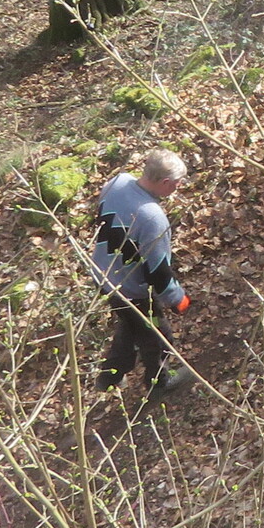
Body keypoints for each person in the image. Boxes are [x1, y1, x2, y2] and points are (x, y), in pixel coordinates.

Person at [92, 149, 192, 395]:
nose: (179, 187)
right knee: (158, 335)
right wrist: (177, 298)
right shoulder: (152, 218)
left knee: (130, 326)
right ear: (165, 183)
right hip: (131, 291)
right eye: (177, 183)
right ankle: (159, 382)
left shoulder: (117, 182)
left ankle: (108, 378)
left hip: (103, 276)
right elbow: (158, 272)